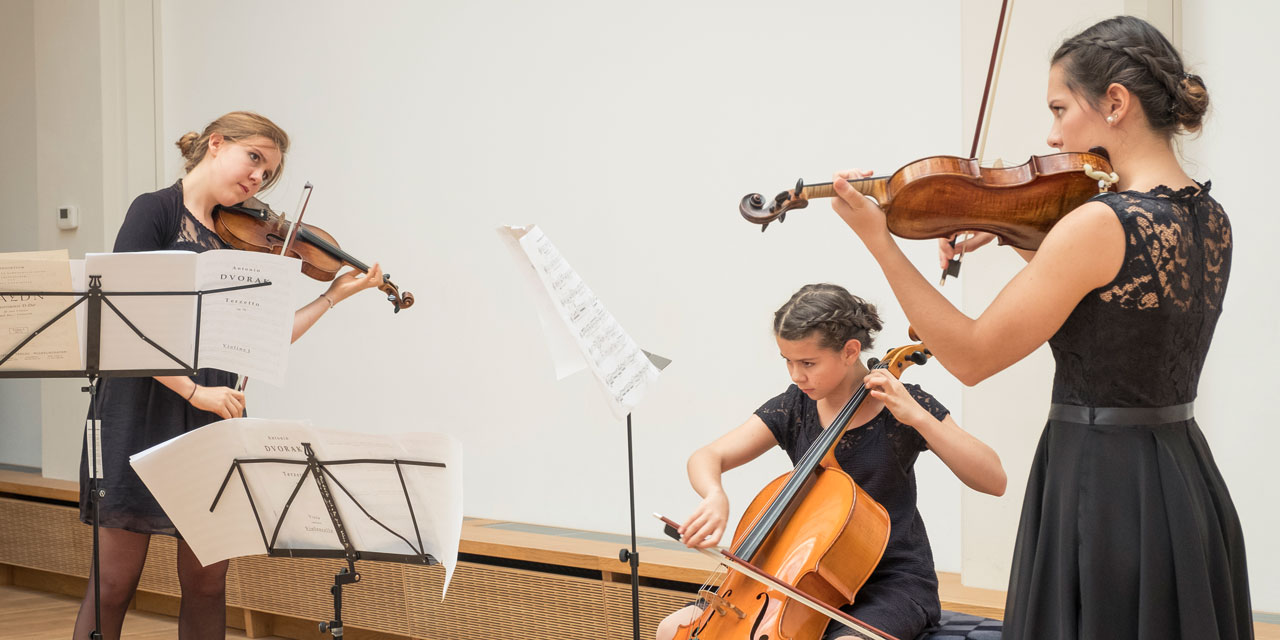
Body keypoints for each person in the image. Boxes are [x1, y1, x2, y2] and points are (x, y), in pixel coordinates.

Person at [829, 15, 1251, 640]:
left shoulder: (1100, 222)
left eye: (1059, 108)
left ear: (1115, 103)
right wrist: (1008, 228)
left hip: (1099, 484)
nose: (1052, 133)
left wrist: (879, 241)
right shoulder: (1209, 216)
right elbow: (1114, 317)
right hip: (1183, 479)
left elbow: (970, 355)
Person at [73, 111, 385, 640]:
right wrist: (195, 390)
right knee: (113, 583)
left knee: (208, 582)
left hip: (216, 411)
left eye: (268, 173)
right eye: (255, 159)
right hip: (141, 406)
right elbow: (121, 320)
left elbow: (263, 336)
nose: (258, 179)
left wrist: (333, 295)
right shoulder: (154, 211)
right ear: (217, 144)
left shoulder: (238, 239)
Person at [656, 283, 1006, 640]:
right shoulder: (795, 406)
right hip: (798, 579)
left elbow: (994, 480)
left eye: (808, 363)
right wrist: (714, 495)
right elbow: (707, 457)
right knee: (672, 630)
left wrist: (918, 417)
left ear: (850, 351)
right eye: (788, 362)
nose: (796, 375)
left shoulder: (901, 407)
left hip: (890, 584)